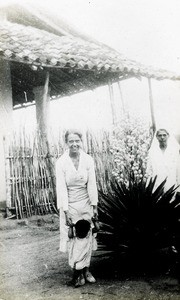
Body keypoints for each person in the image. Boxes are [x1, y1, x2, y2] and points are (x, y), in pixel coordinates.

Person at [56, 129, 98, 287]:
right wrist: (65, 211)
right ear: (66, 143)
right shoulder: (61, 162)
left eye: (77, 141)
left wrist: (94, 206)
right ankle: (77, 273)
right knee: (74, 238)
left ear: (81, 142)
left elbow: (92, 184)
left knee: (87, 236)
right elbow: (61, 188)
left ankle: (86, 271)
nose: (74, 144)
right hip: (70, 204)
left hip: (86, 202)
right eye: (71, 141)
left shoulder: (88, 160)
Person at [146, 128, 180, 194]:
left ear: (168, 136)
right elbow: (149, 170)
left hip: (171, 183)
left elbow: (178, 169)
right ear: (156, 137)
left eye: (164, 135)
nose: (162, 137)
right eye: (160, 135)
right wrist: (148, 185)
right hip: (156, 184)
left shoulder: (174, 151)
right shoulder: (152, 152)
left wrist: (179, 188)